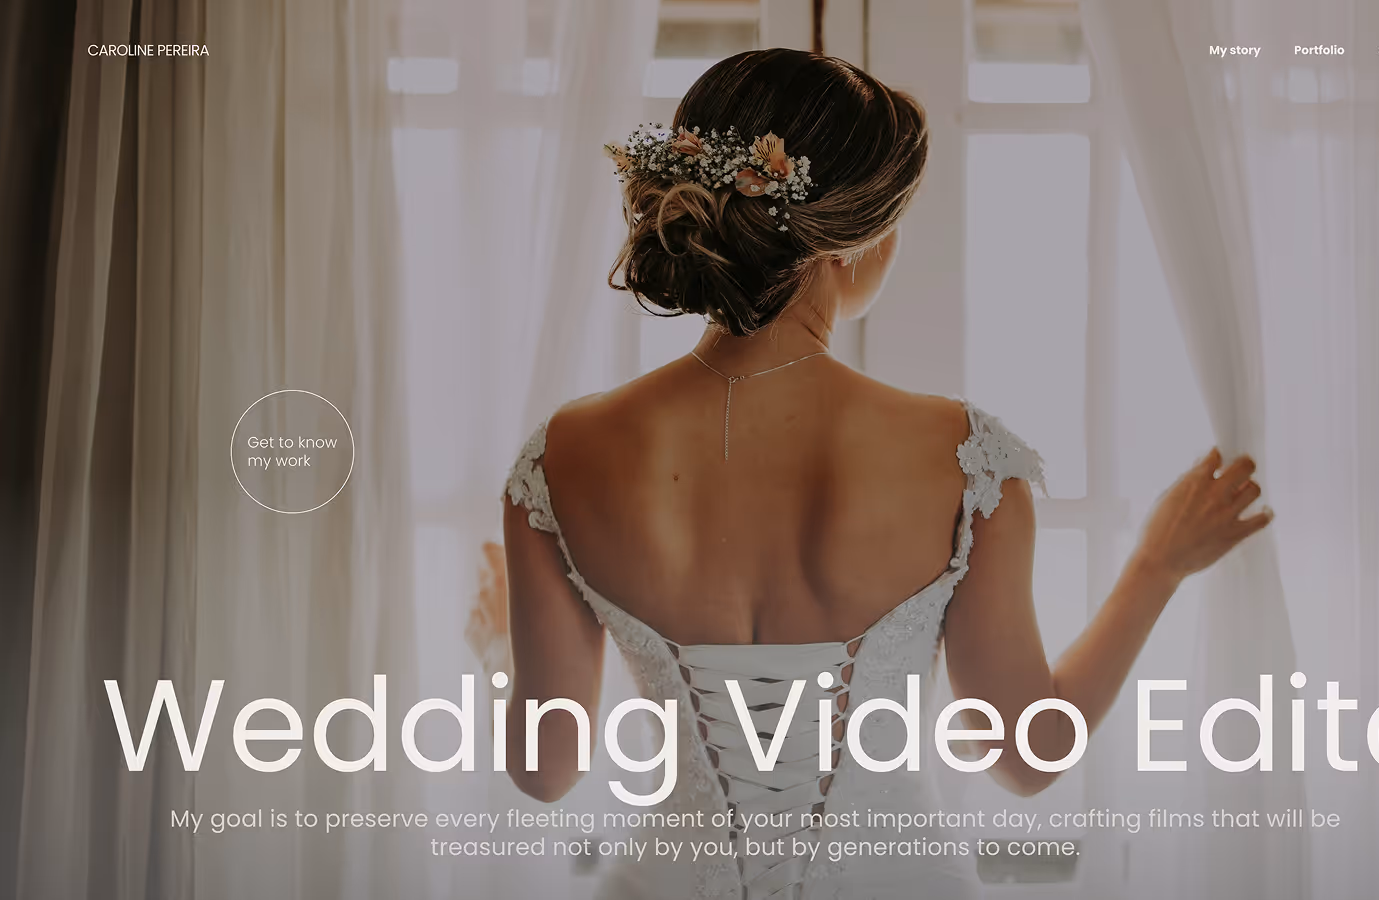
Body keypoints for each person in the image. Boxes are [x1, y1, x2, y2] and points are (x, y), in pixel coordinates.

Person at [493, 47, 1270, 900]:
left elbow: (546, 771)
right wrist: (1155, 567)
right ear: (853, 242)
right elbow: (1026, 757)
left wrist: (504, 650)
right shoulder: (964, 457)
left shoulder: (564, 453)